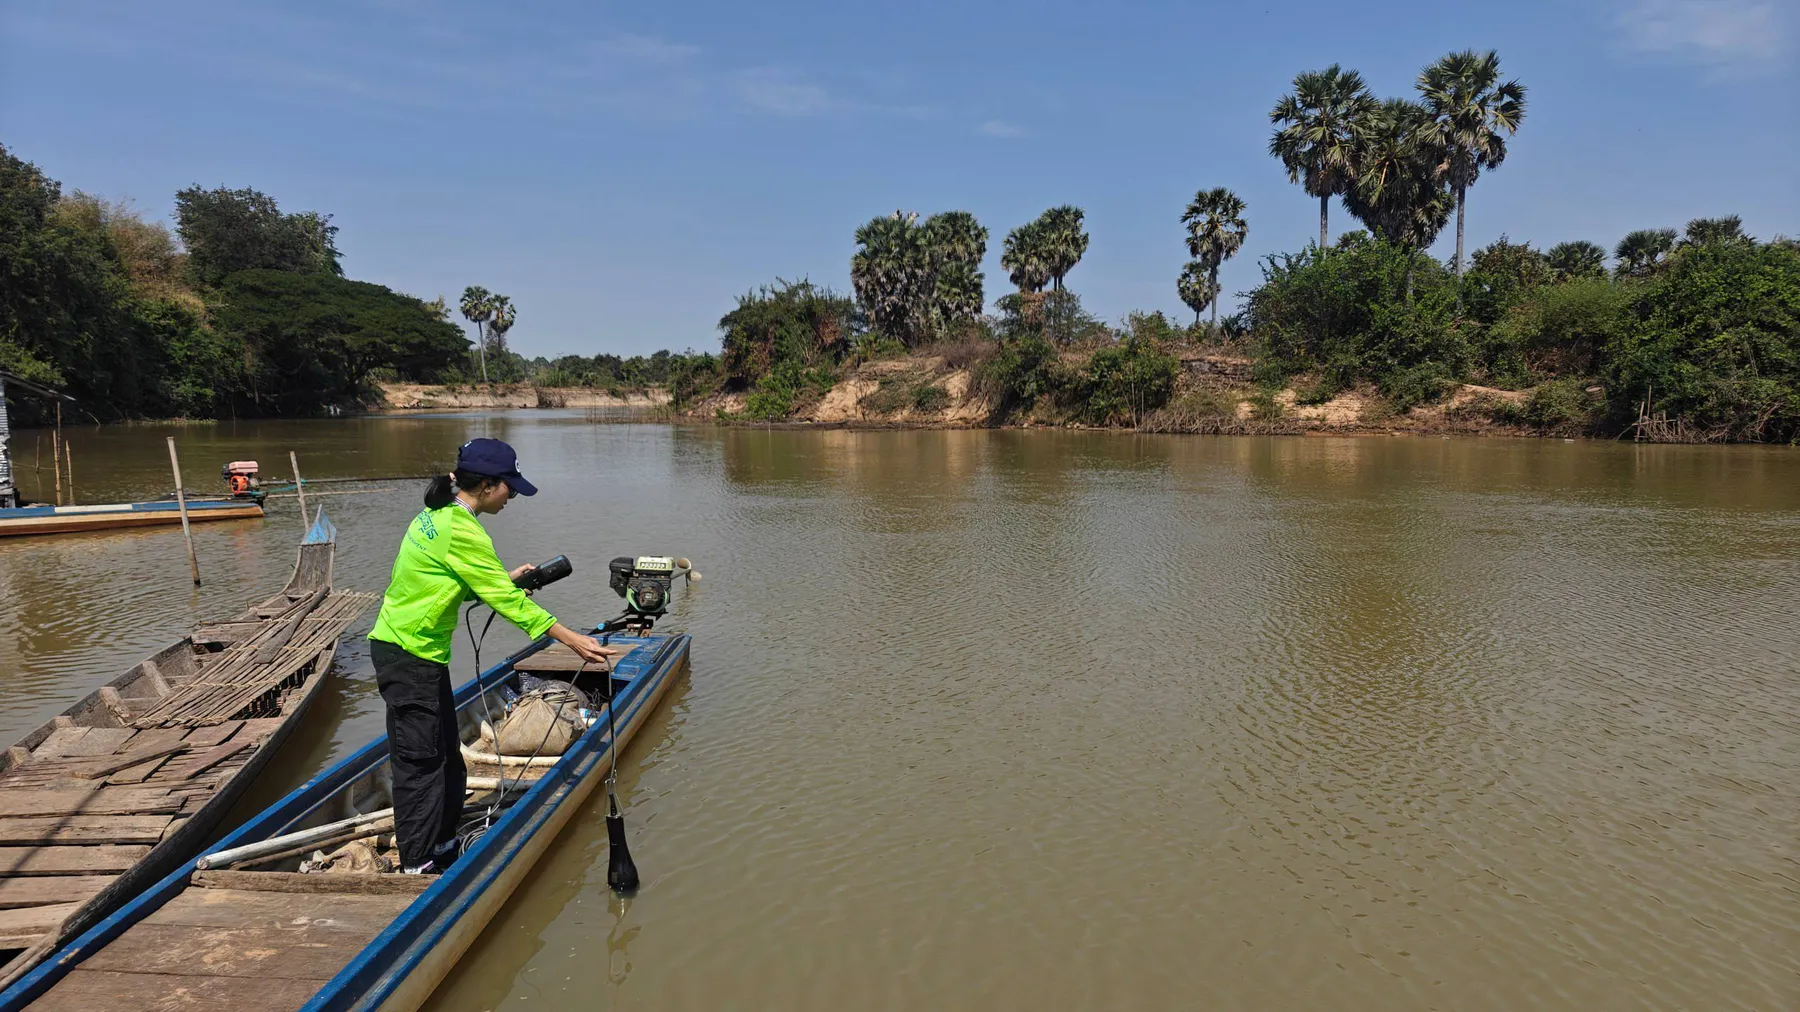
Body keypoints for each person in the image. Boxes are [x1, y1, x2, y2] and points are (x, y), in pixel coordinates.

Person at [368, 437, 622, 874]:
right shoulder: (463, 530)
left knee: (447, 758)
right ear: (487, 485)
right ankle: (417, 865)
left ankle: (444, 844)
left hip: (416, 654)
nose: (513, 498)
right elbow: (511, 605)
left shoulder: (438, 514)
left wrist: (500, 579)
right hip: (408, 657)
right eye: (510, 488)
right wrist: (570, 639)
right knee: (420, 766)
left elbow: (446, 578)